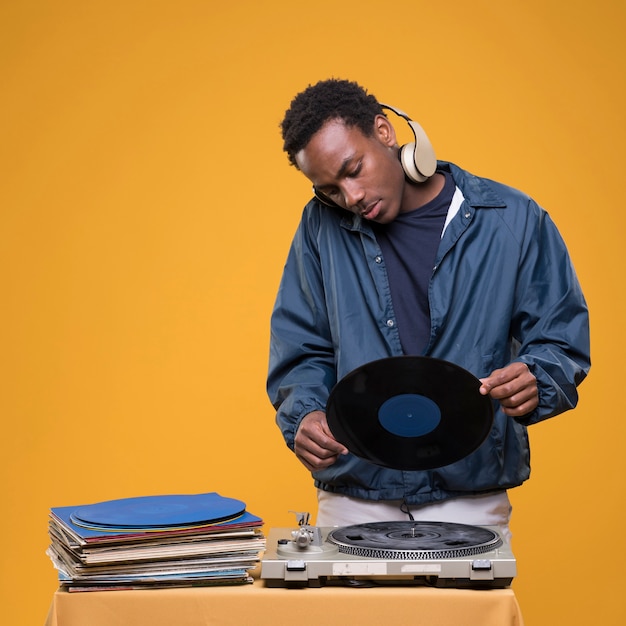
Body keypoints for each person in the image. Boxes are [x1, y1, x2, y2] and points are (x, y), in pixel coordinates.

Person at [267, 78, 590, 536]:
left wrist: (537, 377)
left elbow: (560, 339)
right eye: (330, 189)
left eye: (353, 169)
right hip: (354, 495)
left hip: (470, 493)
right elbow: (301, 347)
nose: (351, 197)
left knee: (470, 613)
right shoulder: (320, 226)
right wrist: (306, 415)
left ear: (384, 131)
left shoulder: (512, 218)